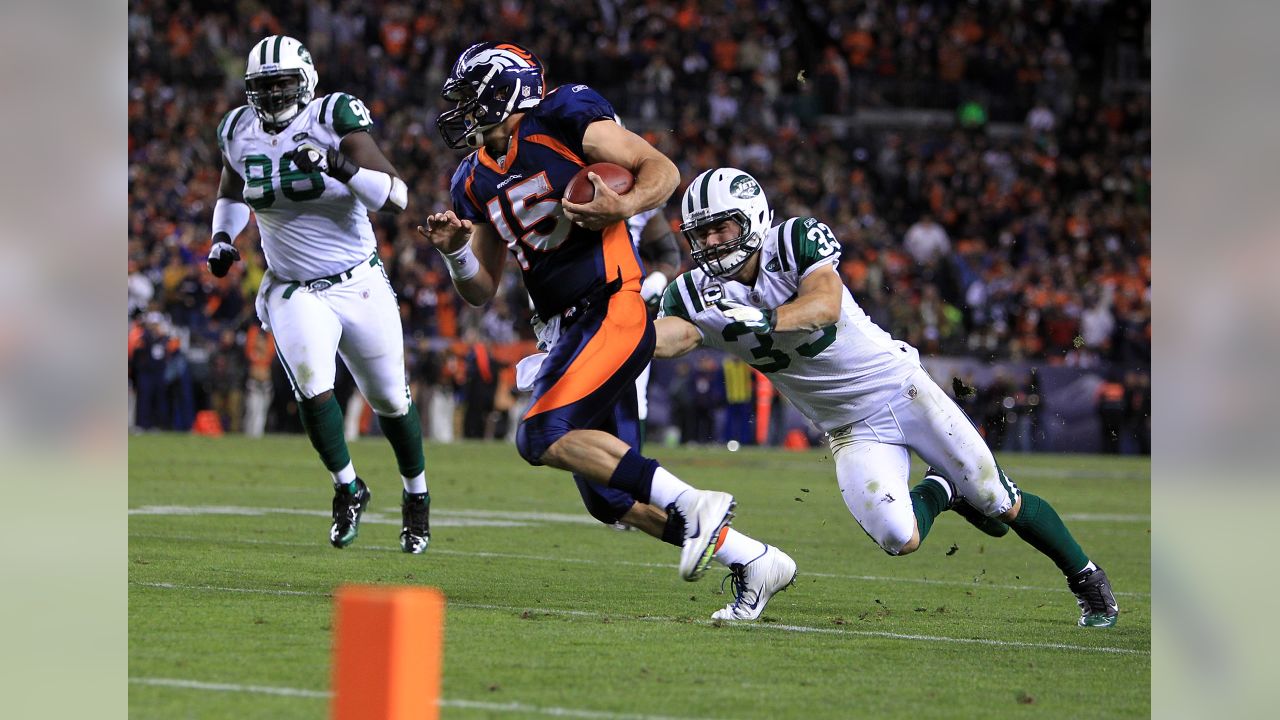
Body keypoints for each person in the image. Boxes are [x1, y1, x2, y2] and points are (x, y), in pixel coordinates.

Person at [418, 42, 794, 619]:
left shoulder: (563, 116)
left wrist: (625, 207)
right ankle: (755, 560)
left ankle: (695, 502)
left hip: (612, 302)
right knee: (612, 501)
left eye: (472, 97)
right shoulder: (471, 180)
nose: (464, 111)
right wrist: (455, 256)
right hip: (563, 329)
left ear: (505, 89)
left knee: (539, 436)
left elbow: (660, 170)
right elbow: (483, 286)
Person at [654, 167, 1119, 628]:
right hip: (848, 428)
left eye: (722, 227)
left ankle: (1088, 581)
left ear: (753, 218)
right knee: (900, 537)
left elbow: (824, 304)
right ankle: (941, 489)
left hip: (901, 390)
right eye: (702, 232)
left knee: (998, 500)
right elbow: (666, 337)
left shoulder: (793, 241)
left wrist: (764, 320)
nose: (712, 242)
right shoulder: (695, 293)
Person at [206, 35, 430, 554]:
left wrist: (338, 165)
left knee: (391, 399)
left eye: (282, 83)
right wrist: (222, 237)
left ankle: (416, 495)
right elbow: (231, 192)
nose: (273, 94)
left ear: (305, 80)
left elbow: (396, 197)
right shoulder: (237, 129)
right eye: (262, 86)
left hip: (358, 280)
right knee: (311, 385)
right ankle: (348, 487)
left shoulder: (333, 116)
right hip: (292, 287)